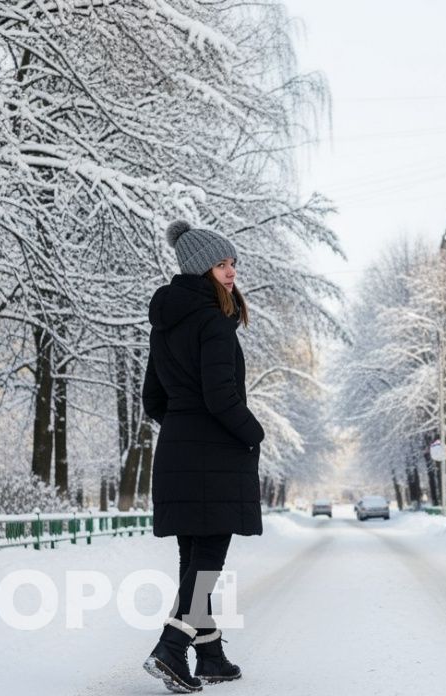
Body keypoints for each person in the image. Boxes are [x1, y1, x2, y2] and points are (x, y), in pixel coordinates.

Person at [140, 220, 266, 693]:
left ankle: (209, 656)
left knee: (193, 555)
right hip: (215, 453)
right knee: (209, 555)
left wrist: (182, 427)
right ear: (200, 269)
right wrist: (252, 432)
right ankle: (172, 647)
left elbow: (153, 398)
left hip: (176, 448)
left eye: (233, 263)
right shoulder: (213, 322)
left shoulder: (165, 324)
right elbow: (220, 396)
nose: (231, 272)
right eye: (221, 264)